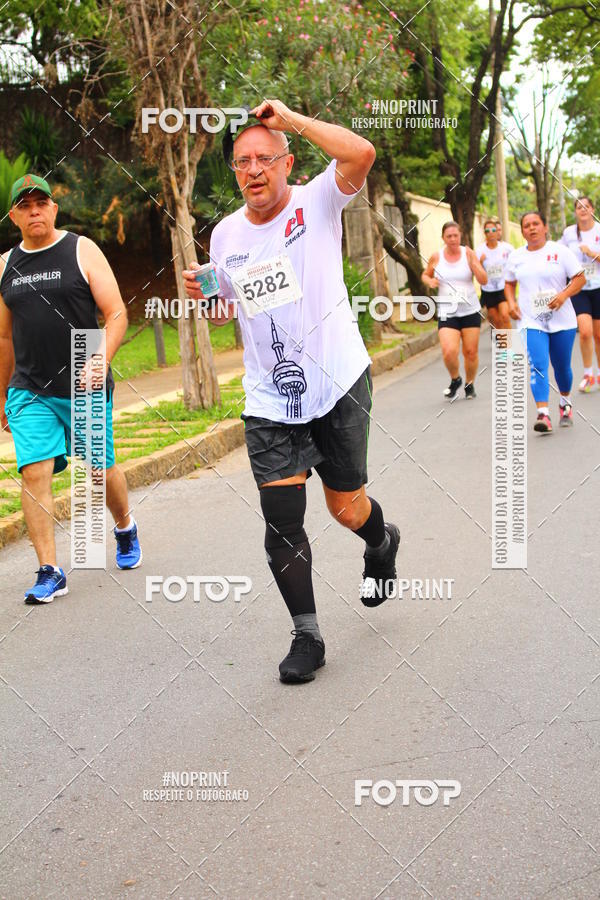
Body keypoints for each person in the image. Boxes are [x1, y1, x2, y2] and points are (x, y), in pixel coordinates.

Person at [183, 99, 400, 685]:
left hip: (338, 381)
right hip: (270, 397)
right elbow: (232, 309)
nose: (253, 170)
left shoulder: (317, 200)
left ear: (286, 162)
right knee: (282, 519)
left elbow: (361, 152)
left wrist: (291, 119)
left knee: (346, 507)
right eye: (242, 162)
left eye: (264, 158)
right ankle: (308, 635)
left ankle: (380, 542)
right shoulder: (225, 234)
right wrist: (212, 299)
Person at [0, 174, 142, 603]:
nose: (34, 211)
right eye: (25, 206)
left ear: (54, 208)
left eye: (41, 203)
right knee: (34, 471)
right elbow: (4, 338)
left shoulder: (81, 250)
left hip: (84, 385)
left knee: (100, 470)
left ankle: (125, 525)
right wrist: (2, 395)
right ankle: (50, 570)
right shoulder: (5, 265)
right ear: (13, 216)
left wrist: (102, 358)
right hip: (29, 388)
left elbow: (116, 313)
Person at [504, 211, 585, 433]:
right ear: (522, 231)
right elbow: (509, 283)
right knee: (538, 365)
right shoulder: (516, 257)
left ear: (545, 227)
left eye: (536, 224)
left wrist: (563, 295)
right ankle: (543, 414)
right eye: (527, 225)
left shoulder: (560, 252)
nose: (532, 228)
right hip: (530, 320)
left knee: (562, 367)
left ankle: (565, 403)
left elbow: (580, 278)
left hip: (562, 319)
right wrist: (511, 303)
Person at [421, 221, 488, 399]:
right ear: (443, 238)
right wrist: (430, 281)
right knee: (449, 351)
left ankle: (470, 384)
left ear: (460, 236)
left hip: (470, 310)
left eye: (455, 235)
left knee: (470, 352)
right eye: (449, 236)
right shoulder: (437, 257)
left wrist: (475, 265)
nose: (452, 239)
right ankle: (456, 378)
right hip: (447, 311)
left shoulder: (468, 254)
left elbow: (484, 280)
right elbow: (425, 274)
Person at [560, 197, 600, 392]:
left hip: (598, 287)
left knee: (599, 335)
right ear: (575, 211)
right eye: (579, 207)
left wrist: (592, 253)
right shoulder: (569, 233)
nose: (583, 210)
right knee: (585, 332)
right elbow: (560, 256)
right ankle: (588, 374)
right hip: (579, 288)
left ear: (592, 209)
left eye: (586, 206)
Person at [475, 218, 512, 330]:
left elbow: (515, 264)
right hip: (488, 290)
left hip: (503, 287)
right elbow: (476, 270)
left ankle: (512, 341)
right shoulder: (480, 250)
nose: (491, 233)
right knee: (496, 321)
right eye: (487, 231)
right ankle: (502, 341)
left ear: (497, 232)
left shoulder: (507, 248)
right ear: (484, 233)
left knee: (505, 316)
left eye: (493, 230)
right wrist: (480, 262)